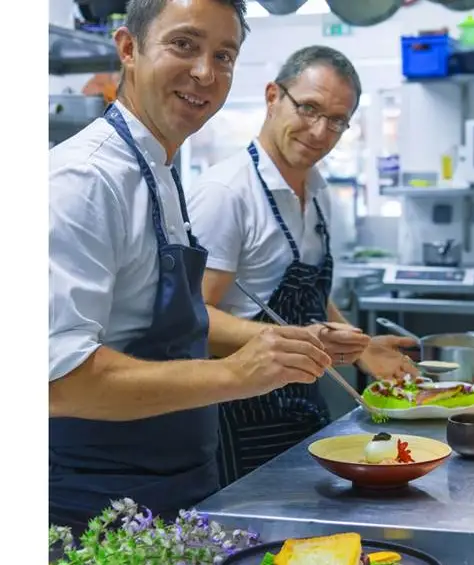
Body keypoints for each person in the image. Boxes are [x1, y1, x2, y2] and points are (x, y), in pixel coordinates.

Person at [48, 0, 334, 534]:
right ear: (128, 49)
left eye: (224, 55)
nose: (205, 72)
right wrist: (234, 372)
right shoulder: (83, 181)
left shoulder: (161, 167)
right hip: (96, 509)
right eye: (184, 44)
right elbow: (56, 381)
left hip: (175, 491)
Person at [185, 46, 421, 486]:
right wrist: (298, 340)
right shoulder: (226, 192)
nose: (319, 131)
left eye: (336, 120)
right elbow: (193, 319)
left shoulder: (317, 187)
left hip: (297, 408)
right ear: (273, 96)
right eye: (309, 108)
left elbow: (308, 290)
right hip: (237, 416)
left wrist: (359, 345)